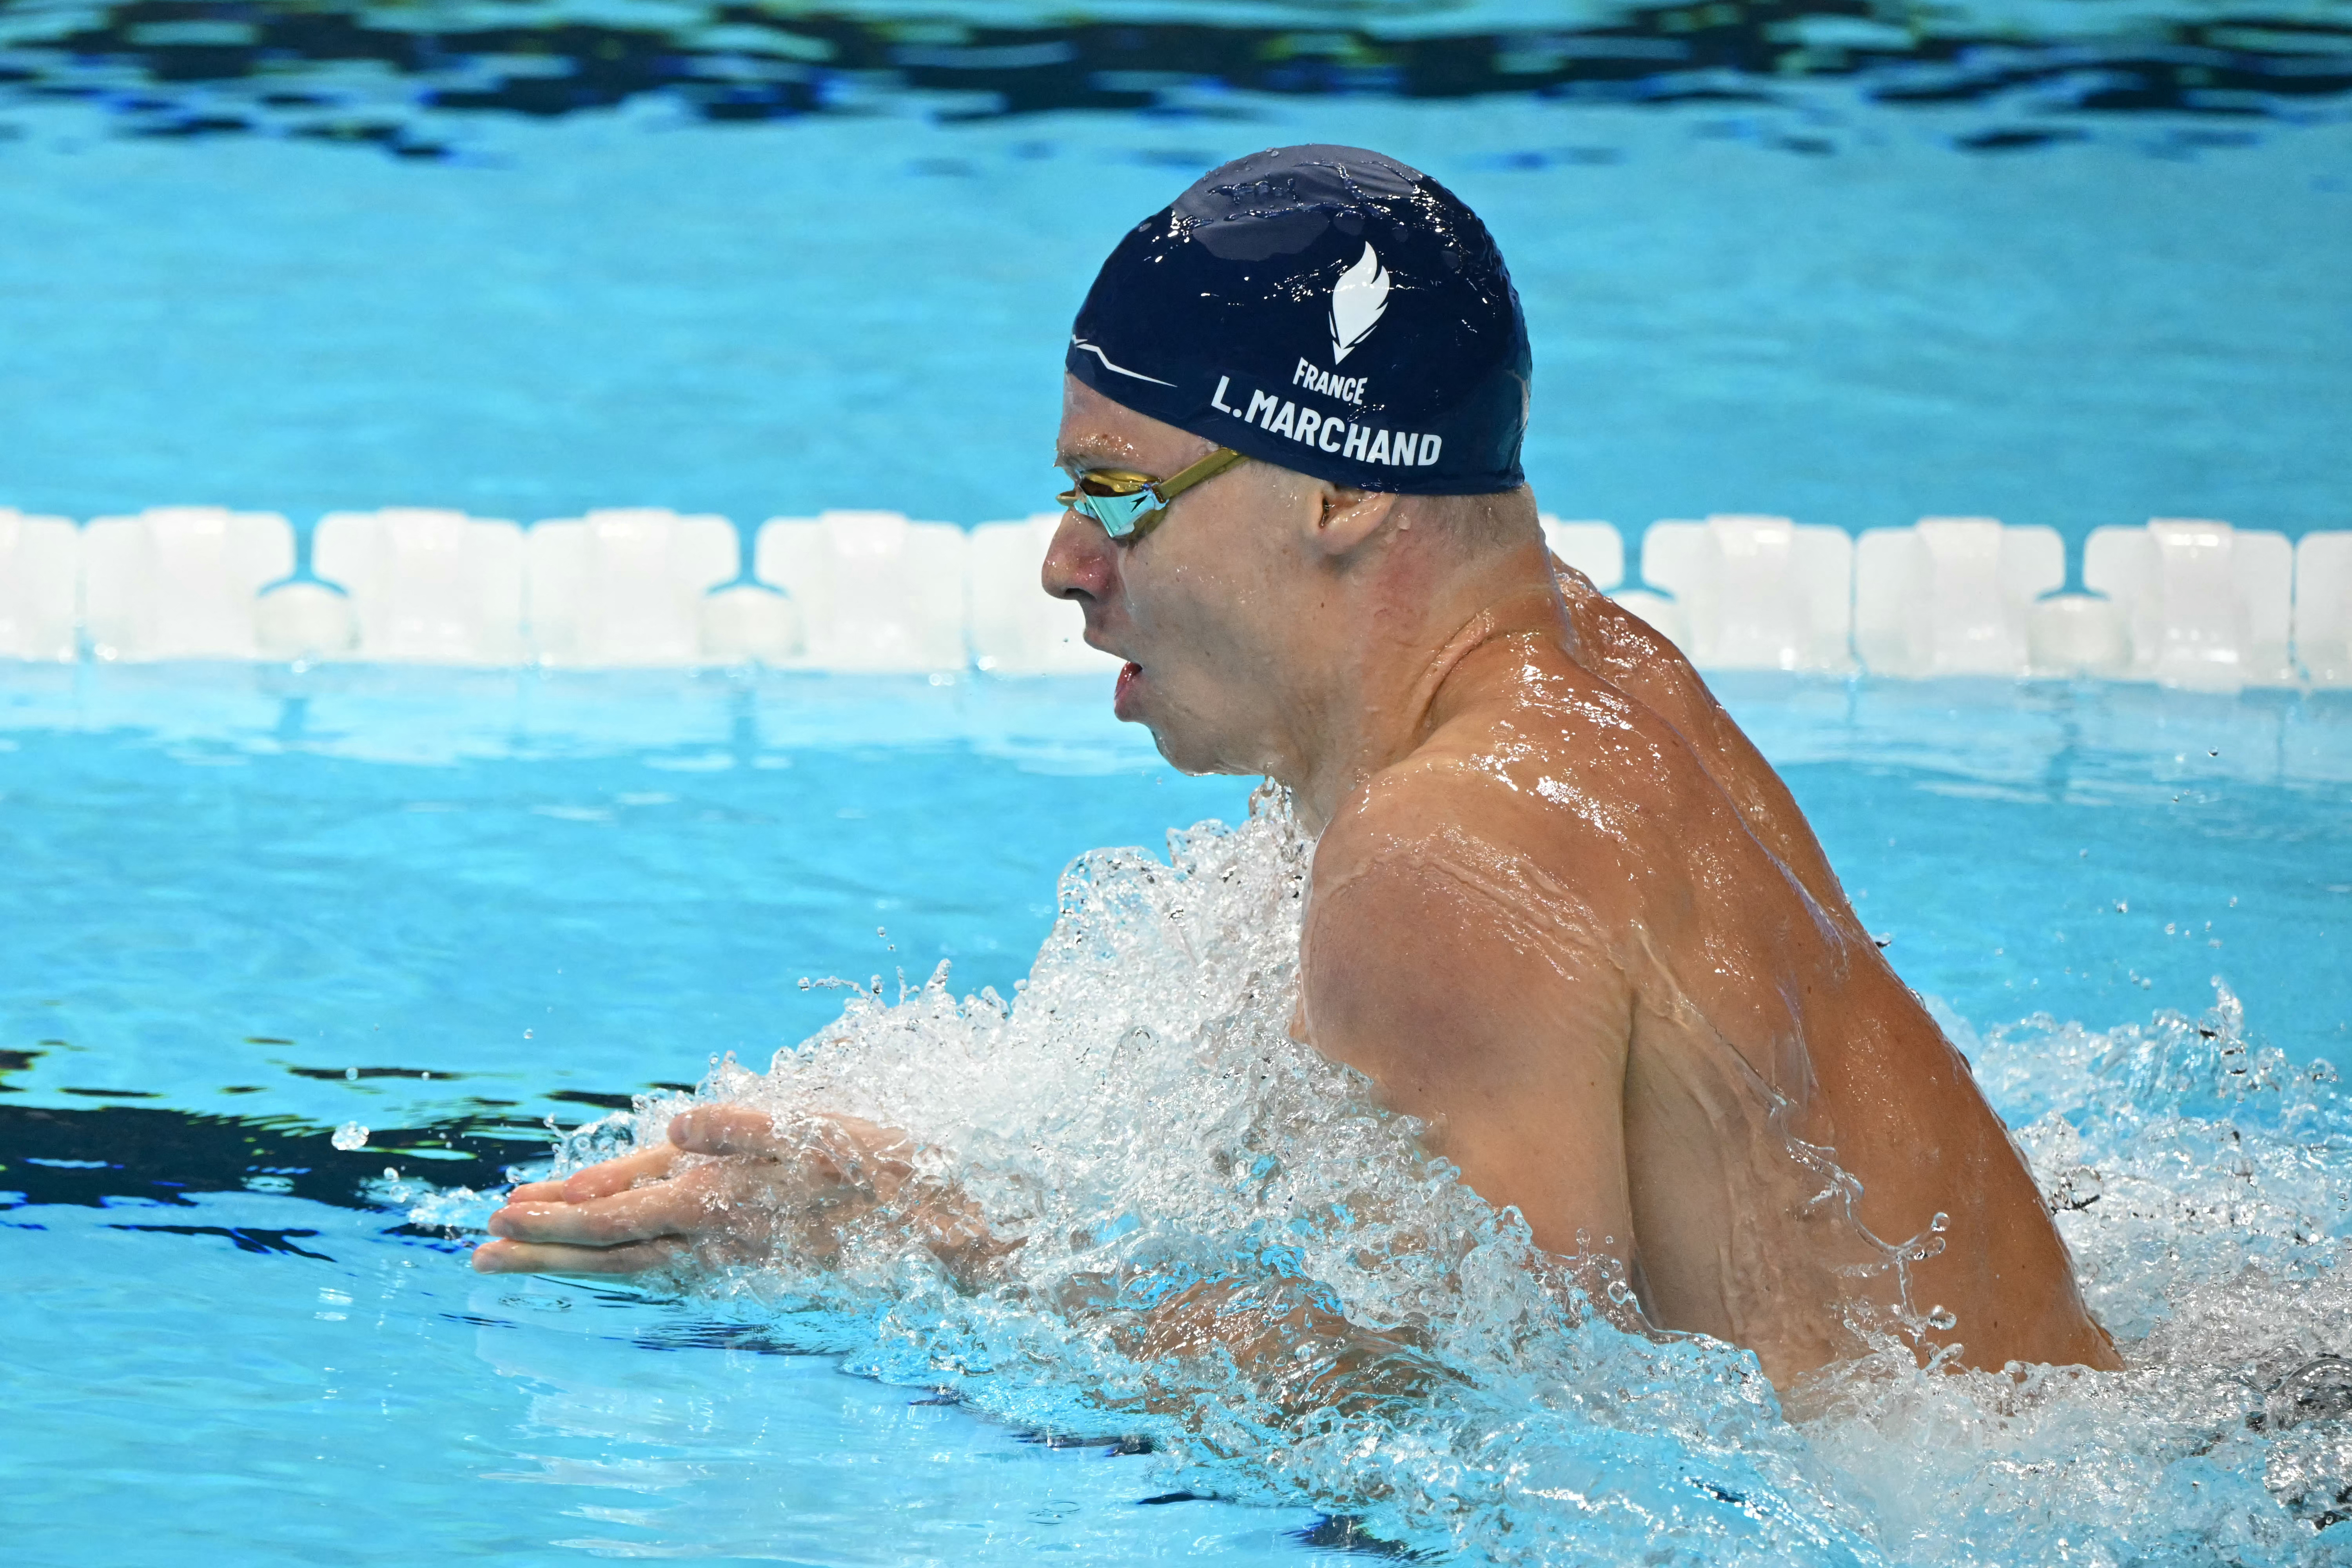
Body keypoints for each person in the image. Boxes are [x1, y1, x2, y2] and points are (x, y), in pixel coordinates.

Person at [475, 145, 2119, 1390]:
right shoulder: (1584, 678)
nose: (1065, 561)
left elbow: (1501, 1421)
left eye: (1118, 497)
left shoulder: (1445, 857)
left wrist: (918, 1245)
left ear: (1337, 496)